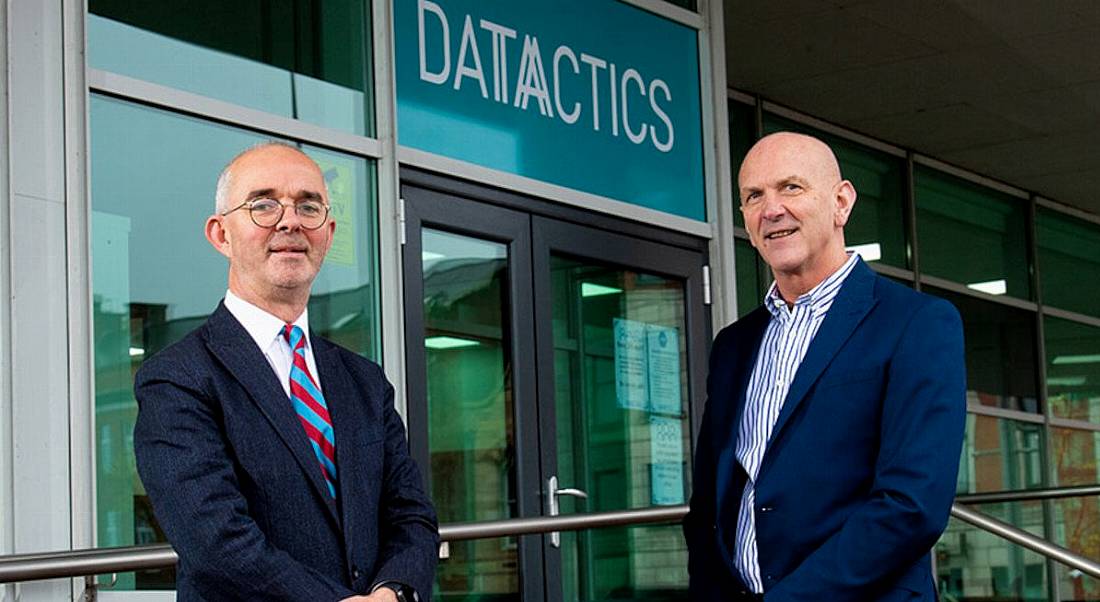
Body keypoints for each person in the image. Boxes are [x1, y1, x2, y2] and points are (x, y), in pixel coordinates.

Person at [134, 142, 438, 601]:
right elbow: (214, 540)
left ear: (328, 233)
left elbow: (410, 514)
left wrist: (392, 592)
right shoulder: (177, 379)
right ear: (221, 235)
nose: (290, 220)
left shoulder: (364, 380)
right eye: (263, 204)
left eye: (308, 205)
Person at [684, 132, 966, 601]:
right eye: (754, 196)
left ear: (841, 203)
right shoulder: (734, 345)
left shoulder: (916, 324)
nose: (771, 208)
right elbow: (709, 505)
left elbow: (911, 506)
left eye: (790, 187)